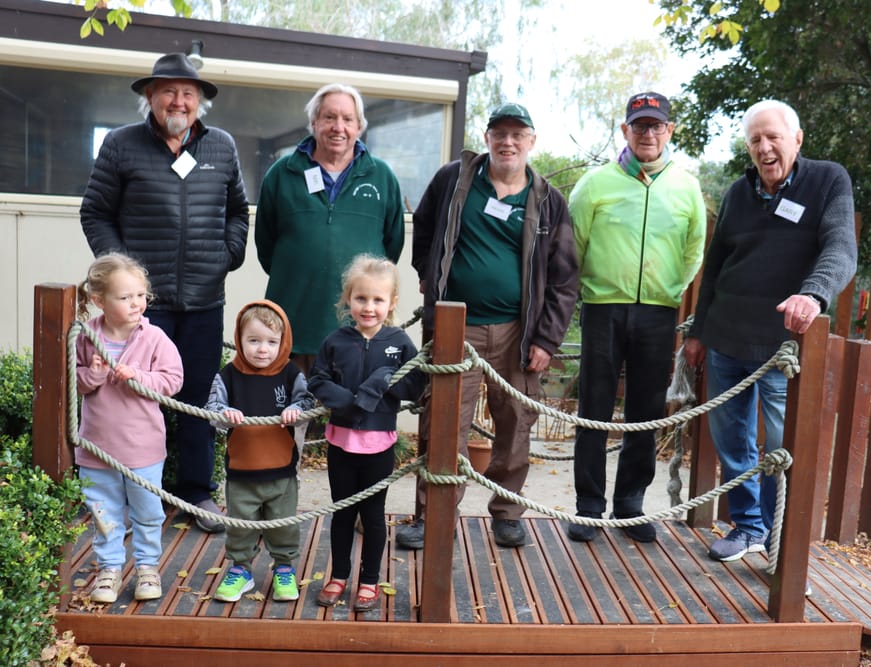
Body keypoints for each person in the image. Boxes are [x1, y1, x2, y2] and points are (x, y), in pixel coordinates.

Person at [396, 102, 579, 550]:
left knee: (516, 423)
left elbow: (564, 278)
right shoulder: (454, 180)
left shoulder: (548, 200)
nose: (508, 142)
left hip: (519, 331)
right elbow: (424, 226)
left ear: (531, 141)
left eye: (518, 134)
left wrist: (546, 339)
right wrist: (427, 274)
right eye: (500, 133)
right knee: (443, 425)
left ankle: (507, 514)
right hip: (455, 327)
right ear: (487, 138)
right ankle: (432, 514)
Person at [80, 52, 250, 534]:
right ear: (150, 97)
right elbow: (95, 212)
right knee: (128, 397)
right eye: (169, 91)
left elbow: (238, 212)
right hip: (139, 308)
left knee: (195, 400)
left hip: (203, 301)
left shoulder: (221, 146)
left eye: (188, 93)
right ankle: (122, 495)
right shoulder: (121, 145)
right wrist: (122, 275)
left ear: (199, 102)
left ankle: (196, 494)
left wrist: (226, 255)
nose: (179, 101)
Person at [683, 99, 857, 563]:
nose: (764, 148)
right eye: (755, 140)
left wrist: (813, 294)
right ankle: (748, 528)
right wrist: (698, 331)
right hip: (726, 339)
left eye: (773, 137)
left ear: (796, 139)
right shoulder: (738, 194)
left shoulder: (828, 180)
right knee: (732, 443)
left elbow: (841, 247)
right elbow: (715, 267)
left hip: (783, 348)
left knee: (782, 449)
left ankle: (779, 537)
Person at [566, 92, 707, 543]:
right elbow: (573, 246)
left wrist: (669, 290)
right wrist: (592, 289)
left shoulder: (686, 186)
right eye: (640, 125)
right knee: (594, 406)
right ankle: (589, 506)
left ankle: (630, 504)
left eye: (656, 125)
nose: (648, 133)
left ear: (669, 131)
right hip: (603, 308)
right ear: (625, 130)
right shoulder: (595, 184)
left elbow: (694, 250)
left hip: (658, 312)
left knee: (645, 410)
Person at [256, 83, 405, 379]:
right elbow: (266, 245)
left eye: (348, 119)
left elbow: (391, 247)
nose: (339, 127)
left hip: (359, 330)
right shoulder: (282, 174)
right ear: (314, 122)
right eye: (329, 117)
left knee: (351, 404)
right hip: (293, 324)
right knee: (290, 404)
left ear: (359, 126)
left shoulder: (382, 177)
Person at [308, 254, 427, 612]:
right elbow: (318, 380)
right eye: (361, 298)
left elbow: (415, 384)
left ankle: (370, 580)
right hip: (341, 444)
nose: (369, 307)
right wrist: (347, 401)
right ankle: (339, 576)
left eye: (378, 299)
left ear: (392, 302)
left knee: (374, 517)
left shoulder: (399, 342)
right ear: (348, 299)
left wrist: (382, 382)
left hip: (379, 447)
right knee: (343, 513)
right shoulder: (336, 341)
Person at [75, 253, 184, 604]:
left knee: (147, 512)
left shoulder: (154, 338)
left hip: (142, 449)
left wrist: (138, 376)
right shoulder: (86, 337)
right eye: (125, 297)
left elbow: (173, 380)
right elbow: (73, 382)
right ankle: (109, 568)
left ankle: (147, 567)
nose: (136, 303)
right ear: (99, 301)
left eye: (140, 295)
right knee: (103, 513)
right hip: (96, 448)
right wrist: (93, 373)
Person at [205, 300, 315, 603]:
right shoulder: (228, 375)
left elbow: (308, 401)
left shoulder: (291, 374)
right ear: (239, 340)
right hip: (242, 472)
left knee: (283, 525)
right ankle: (241, 569)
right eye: (253, 340)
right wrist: (225, 414)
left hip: (281, 472)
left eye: (271, 342)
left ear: (283, 342)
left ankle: (284, 568)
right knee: (241, 526)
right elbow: (212, 409)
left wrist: (296, 409)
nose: (262, 349)